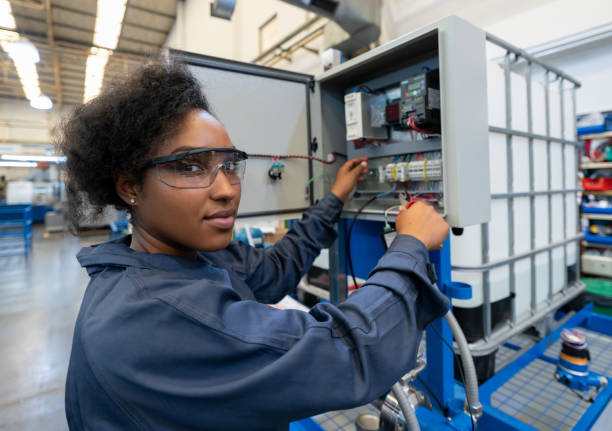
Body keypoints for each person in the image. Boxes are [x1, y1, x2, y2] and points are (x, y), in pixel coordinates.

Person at [60, 60, 450, 431]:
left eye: (229, 165)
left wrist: (335, 196)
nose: (227, 190)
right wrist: (410, 244)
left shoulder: (186, 256)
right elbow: (350, 353)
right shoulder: (149, 318)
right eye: (190, 167)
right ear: (129, 186)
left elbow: (275, 270)